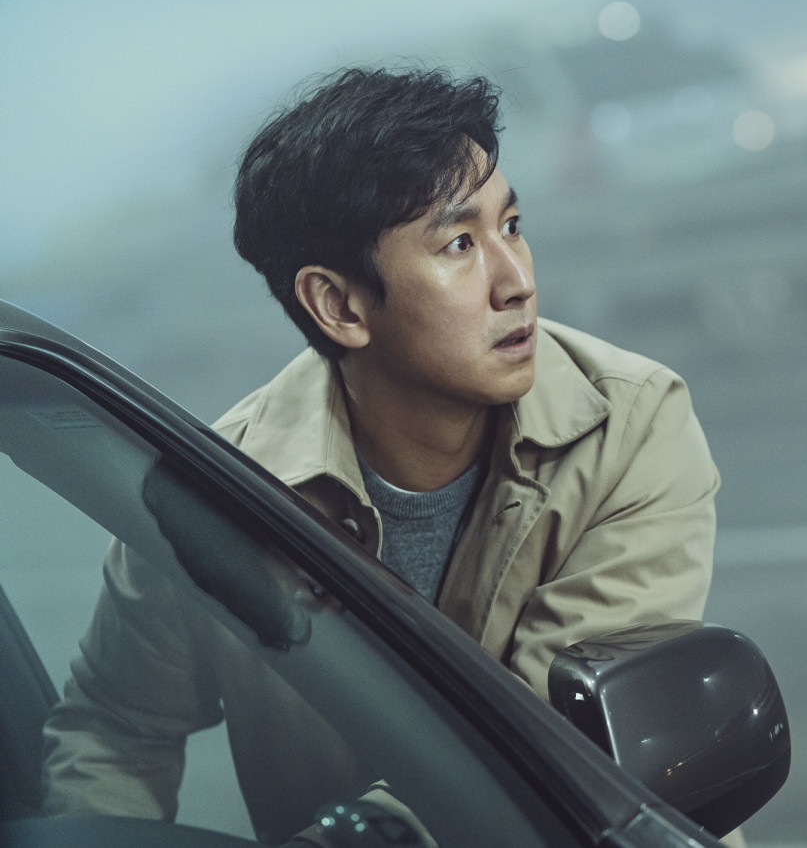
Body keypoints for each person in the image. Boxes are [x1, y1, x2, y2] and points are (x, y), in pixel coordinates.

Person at [41, 66, 722, 843]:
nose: (516, 281)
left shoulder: (626, 422)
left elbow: (552, 749)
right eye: (460, 243)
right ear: (338, 305)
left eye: (511, 226)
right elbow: (114, 731)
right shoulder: (216, 494)